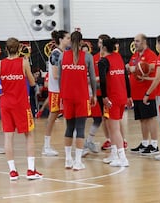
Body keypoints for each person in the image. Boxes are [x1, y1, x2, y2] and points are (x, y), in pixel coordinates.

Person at [0, 37, 43, 181]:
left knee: (8, 136)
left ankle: (12, 171)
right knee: (28, 135)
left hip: (5, 103)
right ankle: (30, 170)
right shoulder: (23, 63)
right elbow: (32, 81)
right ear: (19, 49)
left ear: (5, 49)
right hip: (21, 104)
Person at [60, 31, 97, 170]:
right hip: (81, 96)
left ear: (71, 41)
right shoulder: (87, 57)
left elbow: (61, 79)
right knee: (80, 128)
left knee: (69, 127)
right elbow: (92, 78)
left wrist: (61, 95)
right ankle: (77, 162)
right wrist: (94, 94)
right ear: (82, 42)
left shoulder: (63, 56)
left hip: (67, 96)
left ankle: (68, 160)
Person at [99, 38, 132, 167]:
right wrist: (129, 95)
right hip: (122, 96)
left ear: (104, 48)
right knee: (112, 125)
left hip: (112, 98)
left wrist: (104, 97)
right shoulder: (119, 58)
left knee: (114, 129)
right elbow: (126, 78)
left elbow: (102, 81)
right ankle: (114, 153)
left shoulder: (103, 61)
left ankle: (122, 158)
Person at [127, 34, 159, 155]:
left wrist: (139, 68)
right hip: (136, 93)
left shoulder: (150, 54)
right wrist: (131, 68)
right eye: (134, 41)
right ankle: (145, 143)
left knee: (150, 118)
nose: (135, 43)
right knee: (142, 119)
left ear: (144, 41)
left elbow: (151, 66)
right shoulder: (135, 55)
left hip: (147, 92)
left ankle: (154, 144)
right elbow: (130, 67)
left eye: (137, 41)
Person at [42, 30, 71, 156]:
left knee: (65, 116)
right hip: (56, 90)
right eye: (67, 38)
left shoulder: (64, 53)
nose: (69, 40)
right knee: (52, 116)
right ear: (61, 39)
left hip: (63, 89)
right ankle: (46, 146)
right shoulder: (56, 53)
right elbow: (55, 74)